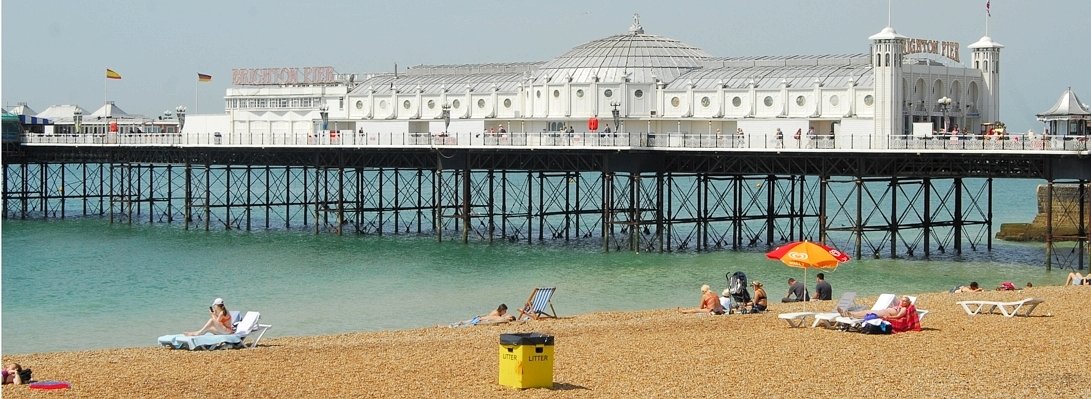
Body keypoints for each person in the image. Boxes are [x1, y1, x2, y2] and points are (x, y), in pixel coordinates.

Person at [840, 296, 920, 333]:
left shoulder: (904, 309)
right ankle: (849, 314)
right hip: (885, 311)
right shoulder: (900, 306)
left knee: (869, 313)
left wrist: (888, 317)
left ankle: (850, 314)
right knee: (868, 312)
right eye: (901, 300)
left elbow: (898, 316)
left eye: (905, 301)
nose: (902, 302)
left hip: (887, 313)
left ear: (908, 303)